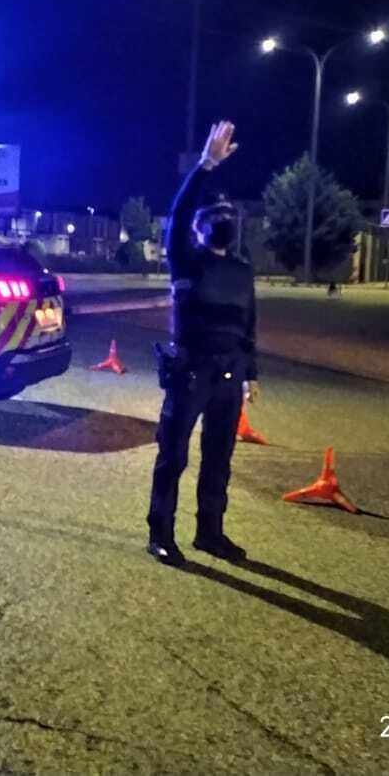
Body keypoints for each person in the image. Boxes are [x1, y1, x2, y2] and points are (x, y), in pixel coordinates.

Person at [147, 120, 257, 566]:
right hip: (190, 370)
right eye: (215, 217)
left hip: (229, 374)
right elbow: (178, 212)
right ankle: (161, 533)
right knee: (173, 456)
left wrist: (251, 374)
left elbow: (251, 323)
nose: (223, 221)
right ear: (198, 229)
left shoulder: (241, 270)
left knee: (219, 458)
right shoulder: (185, 260)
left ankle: (210, 532)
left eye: (228, 216)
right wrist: (206, 165)